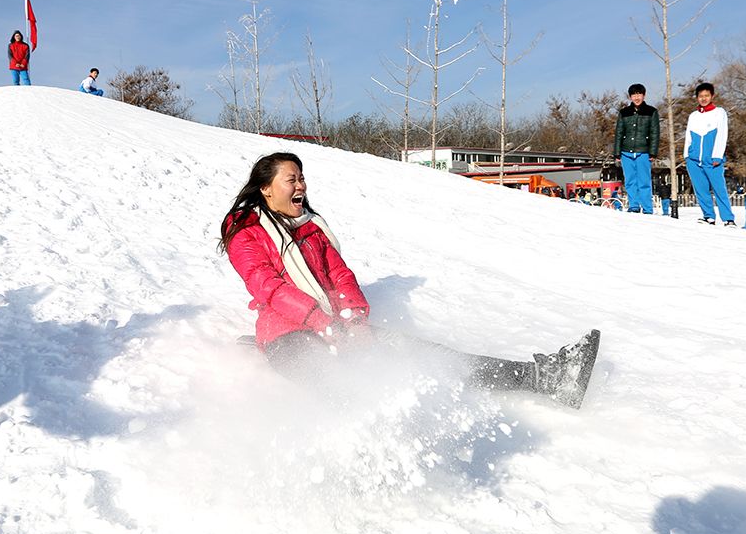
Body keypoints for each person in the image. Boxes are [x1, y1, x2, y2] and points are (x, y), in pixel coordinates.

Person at [218, 152, 601, 408]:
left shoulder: (311, 228)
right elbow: (268, 286)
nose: (301, 185)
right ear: (266, 188)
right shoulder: (247, 231)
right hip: (287, 336)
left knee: (433, 358)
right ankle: (360, 448)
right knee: (336, 384)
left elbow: (340, 275)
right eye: (291, 179)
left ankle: (546, 377)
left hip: (336, 325)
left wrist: (355, 320)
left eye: (302, 178)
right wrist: (321, 322)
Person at [684, 82, 736, 226]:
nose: (703, 98)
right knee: (701, 190)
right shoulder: (693, 115)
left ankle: (728, 219)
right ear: (697, 97)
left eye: (706, 95)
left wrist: (717, 155)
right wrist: (687, 155)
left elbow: (722, 134)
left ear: (712, 96)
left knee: (719, 189)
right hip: (694, 160)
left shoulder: (719, 112)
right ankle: (708, 216)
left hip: (712, 160)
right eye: (701, 96)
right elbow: (688, 136)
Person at [614, 83, 661, 214]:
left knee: (644, 181)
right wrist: (617, 153)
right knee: (630, 181)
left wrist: (653, 152)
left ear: (644, 95)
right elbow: (619, 133)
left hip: (643, 152)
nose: (636, 97)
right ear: (630, 97)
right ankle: (634, 206)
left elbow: (655, 133)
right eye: (634, 94)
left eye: (639, 94)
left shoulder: (651, 111)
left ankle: (647, 208)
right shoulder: (624, 112)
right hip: (626, 151)